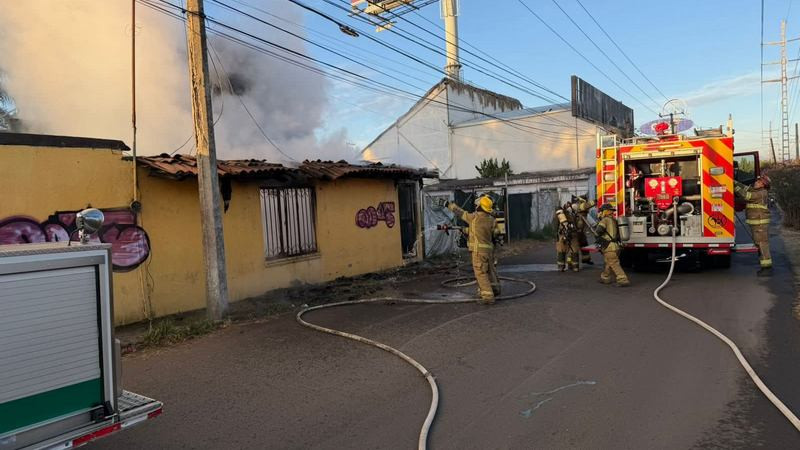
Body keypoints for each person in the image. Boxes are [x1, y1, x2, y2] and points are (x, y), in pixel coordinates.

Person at [444, 195, 501, 303]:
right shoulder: (492, 220)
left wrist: (448, 205)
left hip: (478, 252)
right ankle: (495, 289)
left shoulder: (474, 218)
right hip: (488, 252)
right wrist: (464, 230)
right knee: (490, 271)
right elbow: (487, 232)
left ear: (479, 206)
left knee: (481, 273)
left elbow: (460, 212)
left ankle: (488, 297)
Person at [734, 175, 773, 276]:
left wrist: (734, 187)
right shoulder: (757, 190)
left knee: (762, 244)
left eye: (759, 182)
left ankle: (767, 268)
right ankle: (764, 264)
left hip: (760, 224)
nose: (756, 182)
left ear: (763, 185)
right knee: (759, 243)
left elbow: (746, 195)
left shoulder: (761, 193)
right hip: (758, 223)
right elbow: (746, 188)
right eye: (757, 181)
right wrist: (734, 182)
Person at [594, 203, 630, 287]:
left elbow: (598, 232)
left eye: (601, 211)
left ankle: (623, 279)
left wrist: (599, 221)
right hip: (616, 246)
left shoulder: (605, 220)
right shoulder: (615, 220)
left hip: (609, 247)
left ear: (605, 212)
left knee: (614, 263)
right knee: (608, 263)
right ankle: (605, 278)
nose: (600, 213)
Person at [554, 204, 580, 272]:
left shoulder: (560, 215)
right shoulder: (574, 215)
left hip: (562, 234)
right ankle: (575, 267)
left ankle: (561, 267)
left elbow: (556, 226)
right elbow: (578, 225)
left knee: (561, 250)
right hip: (573, 234)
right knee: (574, 250)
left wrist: (557, 234)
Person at [572, 196, 596, 265]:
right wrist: (595, 201)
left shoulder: (583, 213)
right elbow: (586, 206)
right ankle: (572, 262)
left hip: (581, 232)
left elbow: (590, 221)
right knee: (574, 248)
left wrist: (596, 226)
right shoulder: (578, 206)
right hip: (575, 232)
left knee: (584, 244)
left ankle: (586, 259)